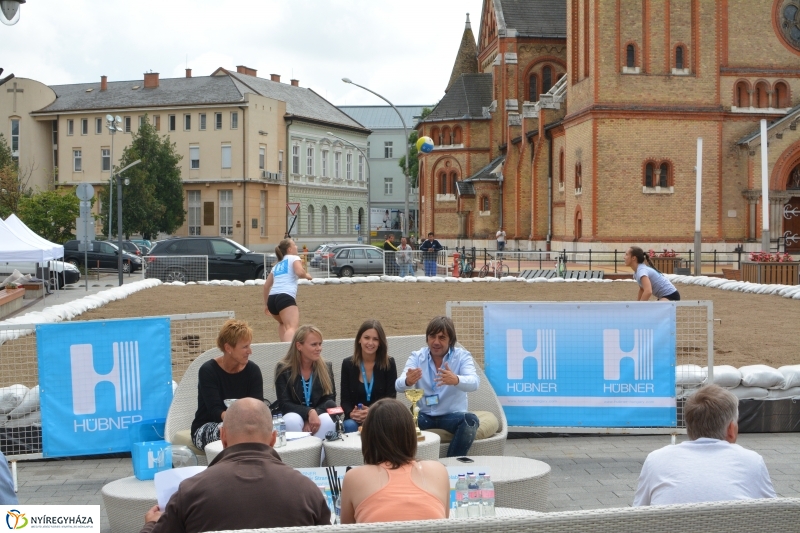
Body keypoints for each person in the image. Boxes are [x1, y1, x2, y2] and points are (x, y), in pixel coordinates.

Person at [142, 398, 330, 533]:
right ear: (273, 439)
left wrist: (151, 525)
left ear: (222, 437)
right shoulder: (307, 491)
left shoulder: (190, 492)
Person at [633, 384, 776, 506]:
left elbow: (638, 515)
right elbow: (773, 515)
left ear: (689, 427)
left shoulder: (656, 460)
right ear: (731, 430)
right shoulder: (751, 461)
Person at [340, 398, 450, 524]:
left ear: (368, 438)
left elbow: (346, 528)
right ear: (410, 435)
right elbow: (444, 523)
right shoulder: (438, 471)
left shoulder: (354, 478)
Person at [396, 316, 480, 457]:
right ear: (427, 338)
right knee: (399, 420)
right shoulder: (417, 356)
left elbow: (475, 382)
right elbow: (398, 385)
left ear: (451, 340)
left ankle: (451, 465)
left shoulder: (462, 356)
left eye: (442, 337)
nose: (436, 342)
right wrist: (407, 381)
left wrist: (456, 379)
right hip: (423, 415)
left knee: (470, 420)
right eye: (432, 336)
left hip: (451, 415)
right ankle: (407, 466)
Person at [191, 320, 263, 451]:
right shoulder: (208, 371)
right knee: (233, 433)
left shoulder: (253, 370)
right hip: (207, 425)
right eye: (245, 347)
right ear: (228, 348)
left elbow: (258, 406)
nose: (250, 351)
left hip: (245, 425)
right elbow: (215, 411)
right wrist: (240, 422)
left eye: (249, 346)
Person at [275, 325, 338, 439]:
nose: (319, 348)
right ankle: (299, 456)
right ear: (299, 346)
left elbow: (330, 399)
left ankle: (317, 457)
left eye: (320, 344)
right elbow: (284, 404)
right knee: (291, 420)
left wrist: (314, 415)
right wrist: (308, 413)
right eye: (314, 344)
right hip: (295, 415)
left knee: (328, 420)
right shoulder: (284, 369)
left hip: (318, 415)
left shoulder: (326, 367)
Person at [340, 320, 398, 433]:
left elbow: (391, 398)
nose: (370, 343)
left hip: (380, 416)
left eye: (375, 339)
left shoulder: (389, 364)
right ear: (359, 340)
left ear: (380, 342)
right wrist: (351, 413)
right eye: (366, 338)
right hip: (355, 418)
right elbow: (345, 401)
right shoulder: (347, 364)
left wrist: (372, 412)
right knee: (349, 425)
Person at [263, 238, 313, 342]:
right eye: (294, 245)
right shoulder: (293, 258)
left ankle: (283, 349)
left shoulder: (277, 265)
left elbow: (266, 286)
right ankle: (289, 354)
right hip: (285, 296)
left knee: (283, 323)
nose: (297, 247)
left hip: (272, 299)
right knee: (292, 327)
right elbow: (300, 272)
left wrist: (266, 304)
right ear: (290, 249)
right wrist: (307, 275)